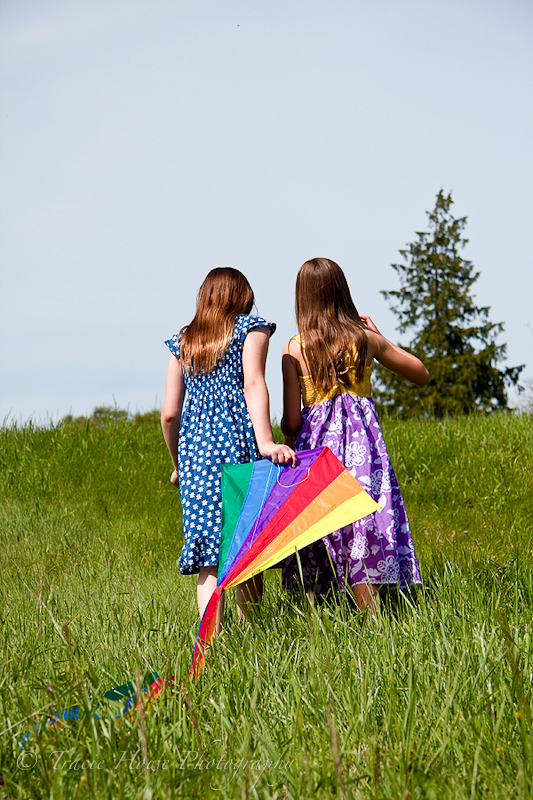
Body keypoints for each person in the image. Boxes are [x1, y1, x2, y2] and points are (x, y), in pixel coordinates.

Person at [280, 258, 430, 611]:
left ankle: (319, 614)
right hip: (365, 448)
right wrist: (380, 336)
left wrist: (288, 440)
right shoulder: (365, 340)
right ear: (341, 292)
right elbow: (421, 374)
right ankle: (372, 617)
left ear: (302, 298)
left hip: (318, 453)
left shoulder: (294, 348)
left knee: (317, 524)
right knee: (363, 520)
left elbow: (289, 421)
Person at [161, 267, 295, 627]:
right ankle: (251, 633)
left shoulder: (183, 341)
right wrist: (266, 442)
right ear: (243, 296)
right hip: (238, 442)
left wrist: (178, 464)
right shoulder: (250, 329)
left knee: (209, 553)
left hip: (194, 454)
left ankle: (209, 645)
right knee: (245, 540)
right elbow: (254, 384)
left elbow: (170, 414)